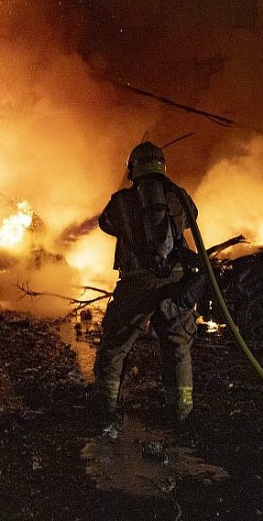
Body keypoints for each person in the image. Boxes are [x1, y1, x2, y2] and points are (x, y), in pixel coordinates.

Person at [93, 141, 200, 425]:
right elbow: (193, 217)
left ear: (133, 169)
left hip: (137, 283)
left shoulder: (121, 201)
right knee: (177, 345)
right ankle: (181, 412)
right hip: (174, 282)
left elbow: (105, 223)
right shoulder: (179, 196)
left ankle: (104, 408)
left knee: (116, 343)